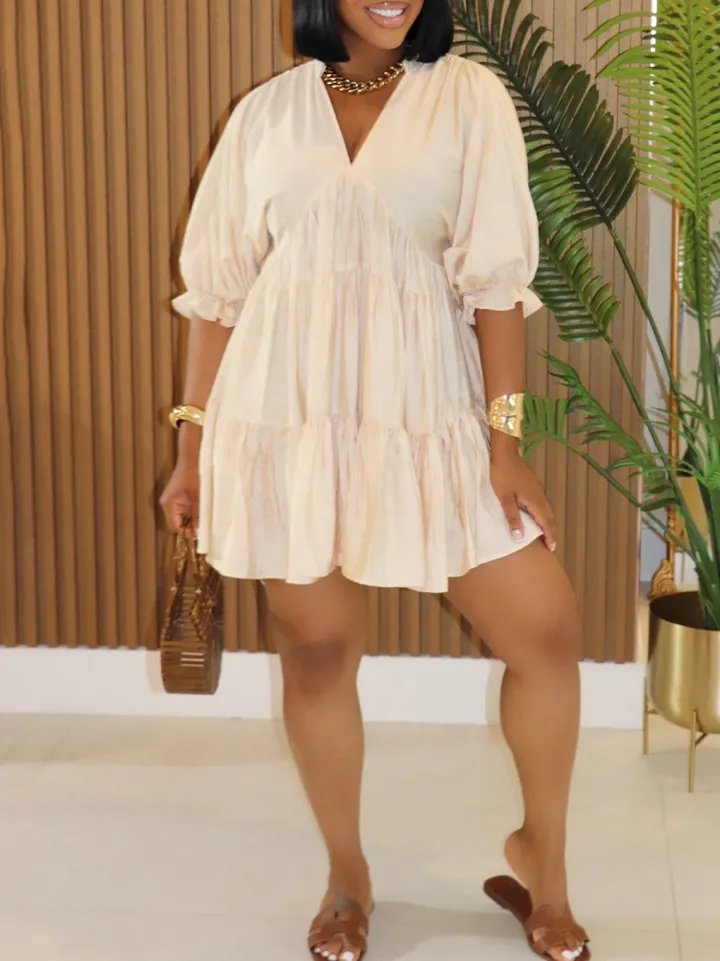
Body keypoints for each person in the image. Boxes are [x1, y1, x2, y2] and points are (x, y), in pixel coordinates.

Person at [160, 1, 590, 959]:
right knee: (317, 654)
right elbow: (217, 296)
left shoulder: (468, 97)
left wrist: (505, 442)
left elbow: (495, 284)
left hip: (427, 417)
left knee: (547, 628)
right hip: (287, 424)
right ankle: (347, 877)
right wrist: (192, 446)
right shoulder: (265, 115)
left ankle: (544, 865)